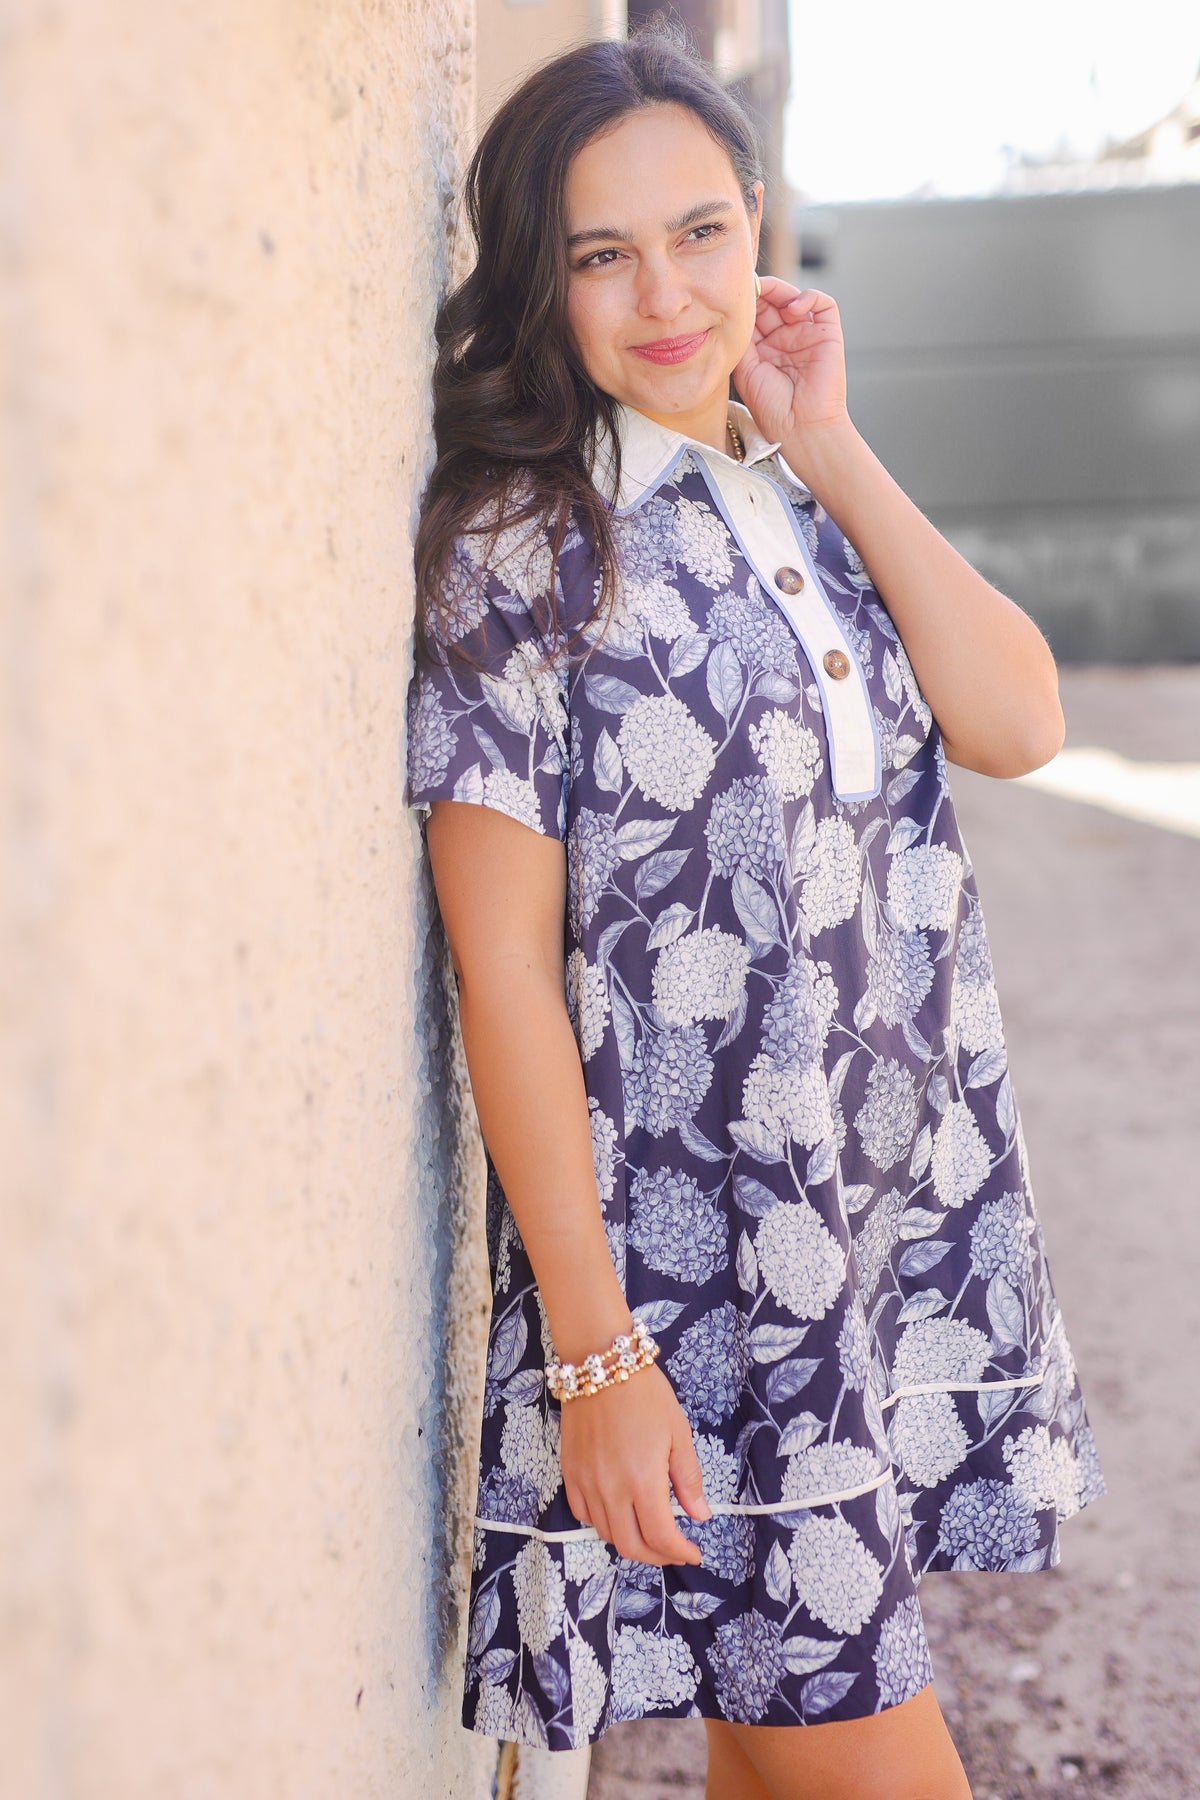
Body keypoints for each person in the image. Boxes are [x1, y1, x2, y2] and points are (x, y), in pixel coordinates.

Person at [403, 22, 1106, 1800]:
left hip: (877, 1240)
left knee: (776, 1761)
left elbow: (1020, 720)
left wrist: (835, 442)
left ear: (761, 229)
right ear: (538, 278)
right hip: (698, 1301)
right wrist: (599, 1356)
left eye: (701, 233)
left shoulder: (794, 484)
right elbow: (505, 980)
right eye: (602, 252)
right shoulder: (520, 547)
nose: (665, 294)